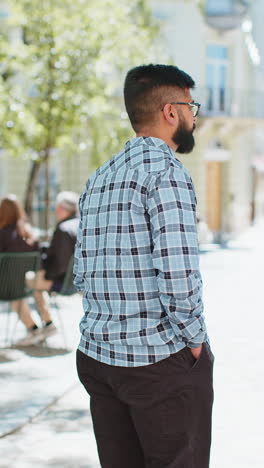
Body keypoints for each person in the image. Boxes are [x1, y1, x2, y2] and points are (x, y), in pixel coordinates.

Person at [74, 64, 214, 468]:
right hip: (158, 363)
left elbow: (82, 272)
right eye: (192, 107)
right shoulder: (166, 172)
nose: (194, 117)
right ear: (171, 112)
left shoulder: (99, 177)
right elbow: (177, 275)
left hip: (98, 357)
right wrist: (195, 344)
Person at [25, 191, 79, 345]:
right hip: (77, 280)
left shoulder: (63, 229)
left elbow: (59, 264)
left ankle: (37, 326)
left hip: (63, 282)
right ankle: (47, 324)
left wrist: (45, 274)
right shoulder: (79, 224)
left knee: (26, 280)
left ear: (62, 209)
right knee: (36, 284)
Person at [0, 194, 54, 344]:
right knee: (35, 286)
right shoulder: (30, 235)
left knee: (14, 294)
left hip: (8, 286)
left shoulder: (2, 235)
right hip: (29, 281)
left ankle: (33, 329)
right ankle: (48, 322)